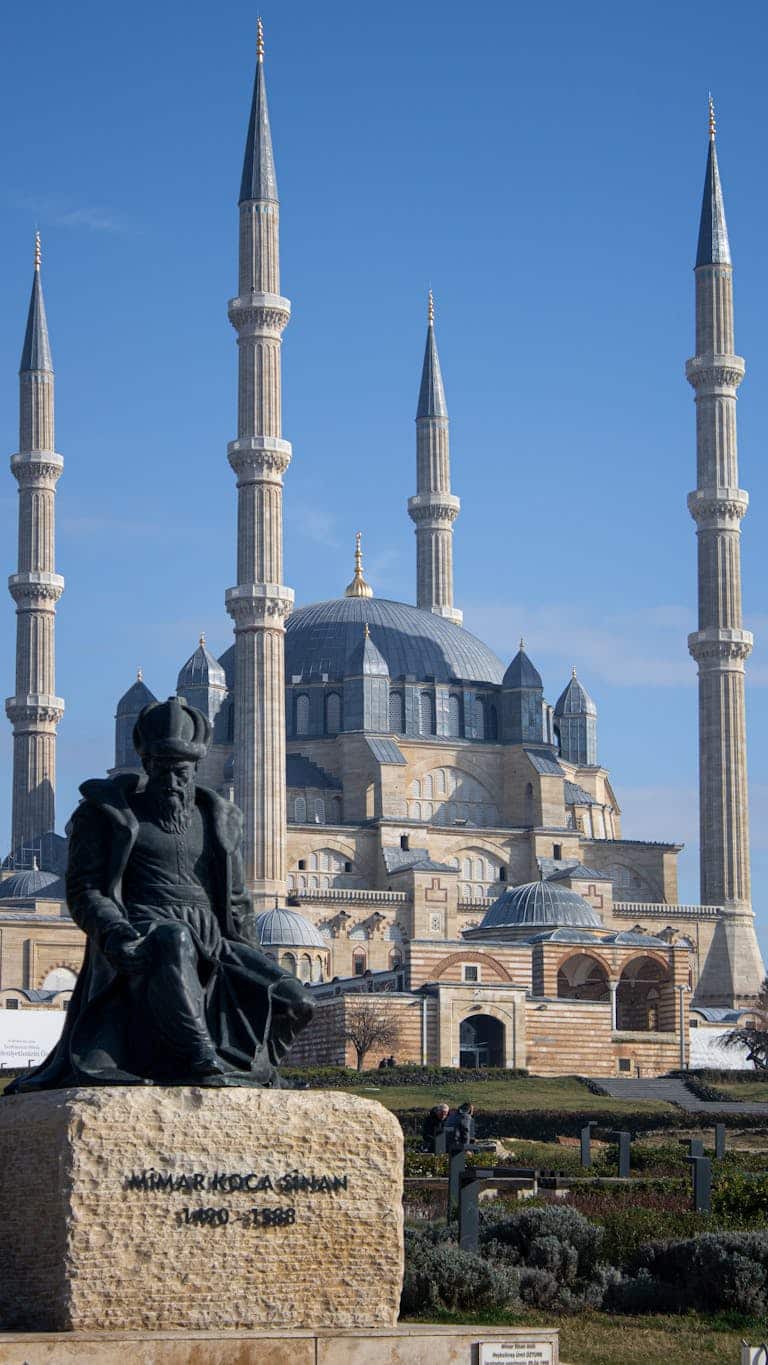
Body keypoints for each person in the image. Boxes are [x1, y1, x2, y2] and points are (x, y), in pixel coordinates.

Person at [7, 696, 314, 1093]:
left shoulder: (218, 819)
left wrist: (251, 957)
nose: (172, 781)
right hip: (145, 930)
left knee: (296, 999)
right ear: (147, 765)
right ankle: (201, 1059)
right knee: (174, 938)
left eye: (181, 772)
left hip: (214, 939)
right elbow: (86, 890)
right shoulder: (108, 815)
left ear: (196, 769)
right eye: (163, 771)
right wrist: (116, 932)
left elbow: (237, 901)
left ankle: (258, 1071)